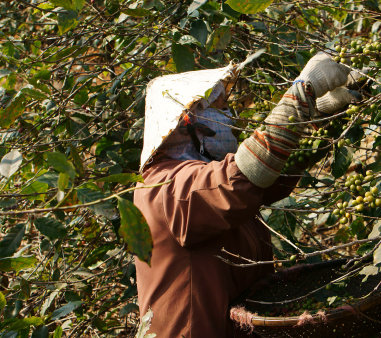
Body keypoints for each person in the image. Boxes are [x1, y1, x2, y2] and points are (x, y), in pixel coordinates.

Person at [134, 53, 360, 337]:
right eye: (220, 107)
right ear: (188, 121)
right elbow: (240, 180)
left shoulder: (198, 172)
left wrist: (321, 114)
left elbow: (271, 176)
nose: (230, 116)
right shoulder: (166, 187)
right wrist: (302, 92)